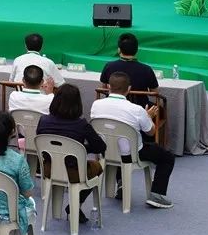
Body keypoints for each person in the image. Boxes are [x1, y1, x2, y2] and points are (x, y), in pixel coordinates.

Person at [90, 72, 174, 208]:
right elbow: (151, 132)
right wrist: (147, 117)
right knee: (167, 157)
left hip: (105, 150)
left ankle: (121, 183)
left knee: (118, 142)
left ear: (109, 87)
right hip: (132, 152)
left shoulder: (96, 105)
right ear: (129, 89)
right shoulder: (137, 110)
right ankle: (157, 195)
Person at [36, 84, 106, 222]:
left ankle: (59, 212)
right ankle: (75, 206)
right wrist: (82, 149)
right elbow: (100, 146)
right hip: (74, 171)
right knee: (97, 167)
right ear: (77, 104)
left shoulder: (43, 120)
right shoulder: (81, 124)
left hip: (49, 169)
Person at [99, 33, 158, 107]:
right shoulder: (147, 70)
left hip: (113, 107)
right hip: (140, 108)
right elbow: (154, 93)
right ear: (136, 50)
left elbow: (103, 89)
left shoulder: (109, 66)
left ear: (119, 50)